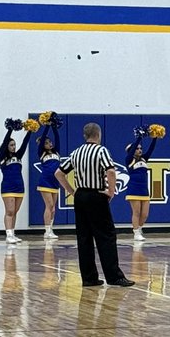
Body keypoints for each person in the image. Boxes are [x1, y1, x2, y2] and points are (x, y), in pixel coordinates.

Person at [53, 122, 134, 288]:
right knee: (106, 236)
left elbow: (59, 173)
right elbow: (111, 171)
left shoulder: (76, 152)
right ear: (98, 134)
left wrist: (73, 191)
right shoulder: (101, 150)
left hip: (80, 196)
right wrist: (111, 191)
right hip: (96, 195)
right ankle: (114, 277)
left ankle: (89, 278)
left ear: (85, 136)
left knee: (84, 238)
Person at [124, 125, 161, 242]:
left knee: (145, 214)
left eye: (140, 148)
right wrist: (139, 137)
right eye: (137, 148)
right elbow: (133, 147)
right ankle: (136, 233)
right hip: (134, 189)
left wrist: (154, 138)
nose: (140, 150)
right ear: (131, 151)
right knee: (136, 212)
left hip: (144, 190)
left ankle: (139, 229)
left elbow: (151, 149)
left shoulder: (144, 158)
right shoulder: (129, 160)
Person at [0, 119, 31, 245]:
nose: (14, 147)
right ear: (7, 146)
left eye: (14, 145)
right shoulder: (1, 156)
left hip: (19, 187)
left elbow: (25, 143)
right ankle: (8, 235)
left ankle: (12, 233)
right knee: (9, 211)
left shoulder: (18, 156)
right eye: (11, 145)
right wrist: (10, 129)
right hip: (8, 187)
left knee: (15, 212)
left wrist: (30, 131)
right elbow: (5, 142)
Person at [35, 114, 63, 241]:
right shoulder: (41, 153)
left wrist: (54, 126)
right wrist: (47, 125)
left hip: (55, 182)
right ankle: (47, 231)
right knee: (49, 205)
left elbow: (57, 138)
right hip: (45, 181)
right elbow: (42, 141)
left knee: (53, 208)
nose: (49, 144)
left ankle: (51, 229)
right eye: (46, 143)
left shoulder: (56, 152)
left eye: (50, 142)